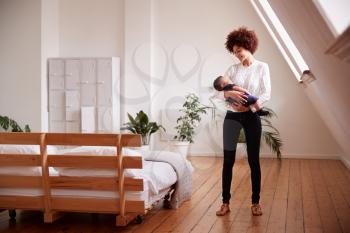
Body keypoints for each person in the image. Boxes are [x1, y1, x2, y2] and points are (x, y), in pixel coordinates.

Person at [215, 27, 271, 217]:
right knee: (228, 160)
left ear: (249, 46)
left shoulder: (262, 67)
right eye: (234, 51)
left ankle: (255, 202)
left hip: (251, 116)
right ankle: (225, 202)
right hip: (232, 116)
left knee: (253, 160)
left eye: (239, 50)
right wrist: (228, 95)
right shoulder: (232, 69)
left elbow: (266, 93)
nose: (237, 54)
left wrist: (249, 108)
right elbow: (222, 91)